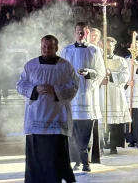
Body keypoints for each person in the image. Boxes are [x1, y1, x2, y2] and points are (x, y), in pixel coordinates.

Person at [16, 35, 78, 183]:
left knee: (55, 156)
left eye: (50, 47)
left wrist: (55, 90)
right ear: (41, 46)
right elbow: (20, 85)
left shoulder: (65, 66)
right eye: (44, 46)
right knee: (36, 156)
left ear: (56, 48)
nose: (47, 49)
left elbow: (74, 86)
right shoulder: (31, 65)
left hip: (57, 118)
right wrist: (35, 88)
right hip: (35, 118)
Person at [61, 22, 106, 172]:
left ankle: (85, 160)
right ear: (75, 33)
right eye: (78, 31)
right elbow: (61, 71)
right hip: (72, 97)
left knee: (86, 130)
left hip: (87, 95)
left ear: (87, 33)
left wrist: (89, 73)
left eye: (83, 32)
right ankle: (77, 161)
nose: (80, 34)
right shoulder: (67, 50)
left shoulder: (94, 50)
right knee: (73, 132)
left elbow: (101, 72)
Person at [100, 37, 132, 154]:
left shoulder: (120, 60)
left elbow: (125, 76)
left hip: (115, 94)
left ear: (114, 46)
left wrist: (111, 74)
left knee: (113, 122)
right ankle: (101, 146)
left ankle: (113, 146)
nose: (108, 47)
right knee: (102, 122)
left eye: (110, 45)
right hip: (101, 93)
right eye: (106, 45)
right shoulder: (98, 60)